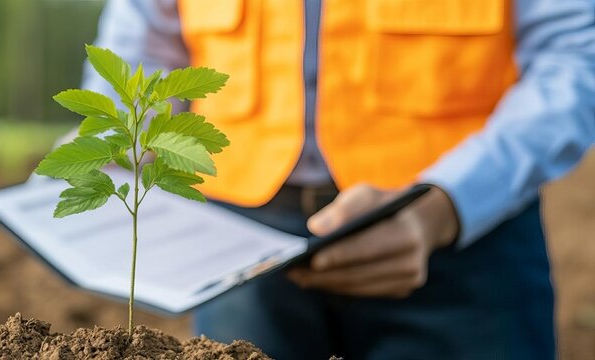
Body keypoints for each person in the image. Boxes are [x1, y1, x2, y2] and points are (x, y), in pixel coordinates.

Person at [81, 0, 595, 359]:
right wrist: (111, 146)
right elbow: (139, 50)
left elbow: (575, 55)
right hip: (239, 250)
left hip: (467, 241)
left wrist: (444, 205)